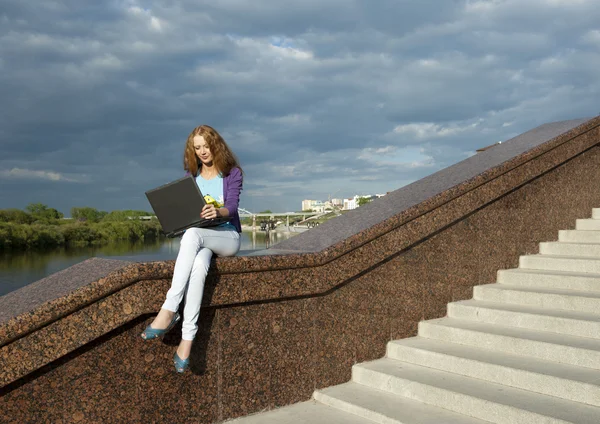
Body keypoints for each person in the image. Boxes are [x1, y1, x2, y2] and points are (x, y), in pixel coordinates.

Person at [140, 125, 243, 373]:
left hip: (227, 236)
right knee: (198, 265)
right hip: (202, 238)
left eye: (206, 146)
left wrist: (217, 211)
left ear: (215, 145)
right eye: (197, 148)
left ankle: (169, 309)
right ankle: (187, 340)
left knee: (192, 234)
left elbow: (233, 206)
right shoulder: (192, 177)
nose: (202, 152)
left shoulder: (232, 173)